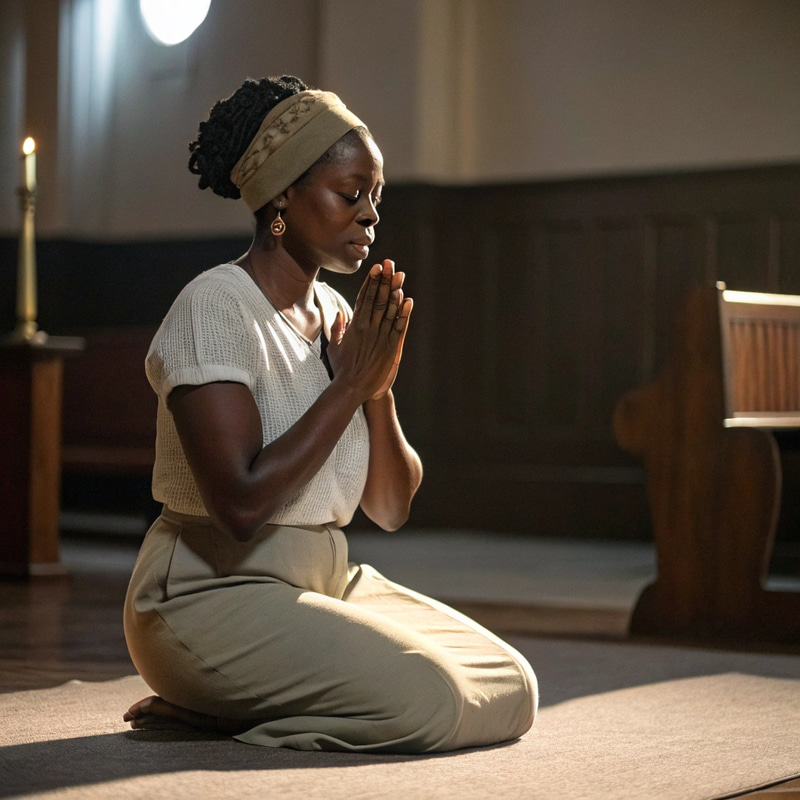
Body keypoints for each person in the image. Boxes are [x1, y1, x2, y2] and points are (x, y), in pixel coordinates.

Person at [123, 75, 537, 753]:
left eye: (376, 198)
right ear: (283, 194)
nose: (370, 216)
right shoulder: (216, 306)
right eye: (351, 194)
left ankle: (236, 708)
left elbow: (391, 509)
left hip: (325, 579)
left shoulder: (341, 318)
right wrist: (346, 387)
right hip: (208, 596)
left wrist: (376, 389)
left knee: (512, 686)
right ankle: (218, 700)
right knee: (432, 698)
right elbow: (240, 507)